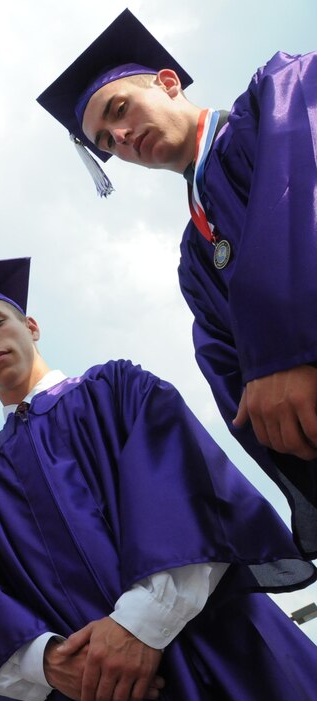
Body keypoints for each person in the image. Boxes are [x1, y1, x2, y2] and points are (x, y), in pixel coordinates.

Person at [0, 257, 317, 701]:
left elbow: (191, 497)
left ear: (30, 326)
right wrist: (51, 663)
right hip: (101, 697)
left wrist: (138, 627)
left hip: (217, 645)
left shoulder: (117, 389)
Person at [38, 9, 317, 555]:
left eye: (119, 110)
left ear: (168, 82)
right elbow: (232, 374)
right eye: (104, 141)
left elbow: (299, 184)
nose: (119, 137)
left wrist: (283, 351)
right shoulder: (196, 256)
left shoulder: (277, 97)